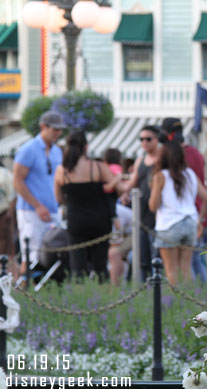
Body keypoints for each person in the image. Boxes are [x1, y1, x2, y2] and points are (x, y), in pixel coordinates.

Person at [53, 131, 122, 281]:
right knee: (100, 266)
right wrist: (118, 179)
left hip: (76, 221)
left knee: (77, 267)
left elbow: (58, 198)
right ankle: (103, 299)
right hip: (100, 221)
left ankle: (79, 300)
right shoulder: (97, 167)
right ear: (86, 147)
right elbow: (118, 189)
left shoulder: (61, 170)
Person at [148, 141, 207, 285]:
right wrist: (200, 220)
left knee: (171, 270)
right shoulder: (189, 174)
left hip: (169, 224)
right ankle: (189, 301)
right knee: (186, 269)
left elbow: (153, 206)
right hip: (190, 223)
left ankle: (175, 301)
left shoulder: (161, 176)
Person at [13, 111, 65, 275]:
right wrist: (37, 206)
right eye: (54, 129)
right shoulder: (29, 149)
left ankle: (42, 291)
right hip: (31, 211)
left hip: (53, 210)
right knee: (31, 255)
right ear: (43, 126)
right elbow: (17, 180)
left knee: (50, 254)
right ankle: (24, 291)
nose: (58, 133)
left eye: (60, 129)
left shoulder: (57, 151)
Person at [121, 125, 161, 281]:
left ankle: (158, 290)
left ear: (156, 140)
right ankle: (145, 289)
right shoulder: (140, 160)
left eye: (148, 139)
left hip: (157, 214)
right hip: (142, 213)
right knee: (142, 256)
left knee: (156, 257)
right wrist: (124, 192)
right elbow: (133, 181)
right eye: (141, 139)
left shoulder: (162, 159)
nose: (144, 142)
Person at [0, 164, 15, 256]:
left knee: (5, 243)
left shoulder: (4, 173)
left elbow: (12, 195)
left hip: (3, 213)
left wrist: (10, 212)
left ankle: (4, 268)